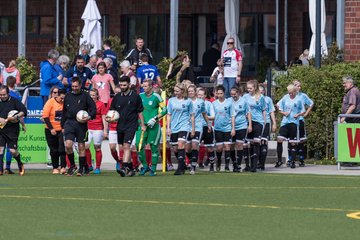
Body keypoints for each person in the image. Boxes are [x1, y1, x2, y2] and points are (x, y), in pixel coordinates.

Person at [109, 76, 146, 177]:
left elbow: (140, 112)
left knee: (126, 146)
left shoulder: (135, 97)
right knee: (121, 147)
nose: (122, 86)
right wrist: (110, 118)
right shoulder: (117, 97)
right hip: (120, 125)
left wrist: (142, 124)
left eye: (124, 85)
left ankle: (124, 167)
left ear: (129, 85)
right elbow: (112, 112)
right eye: (121, 85)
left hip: (131, 125)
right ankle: (130, 168)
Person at [61, 77, 97, 176]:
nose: (74, 88)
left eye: (76, 86)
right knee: (68, 145)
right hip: (69, 122)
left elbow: (93, 109)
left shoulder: (85, 96)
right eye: (72, 86)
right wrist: (62, 125)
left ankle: (81, 168)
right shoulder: (68, 96)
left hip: (81, 124)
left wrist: (89, 117)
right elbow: (64, 111)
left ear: (80, 85)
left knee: (81, 146)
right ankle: (72, 166)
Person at [136, 79, 167, 176]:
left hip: (153, 125)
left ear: (150, 86)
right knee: (138, 145)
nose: (144, 88)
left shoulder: (156, 97)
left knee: (154, 147)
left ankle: (153, 168)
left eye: (146, 86)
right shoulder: (139, 96)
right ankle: (145, 166)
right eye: (143, 86)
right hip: (142, 125)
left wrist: (155, 118)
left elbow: (165, 110)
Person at [167, 83, 195, 175]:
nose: (175, 93)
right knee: (175, 149)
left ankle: (180, 168)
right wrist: (168, 127)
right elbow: (169, 115)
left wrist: (193, 128)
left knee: (181, 144)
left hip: (184, 126)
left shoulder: (188, 101)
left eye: (177, 91)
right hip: (174, 126)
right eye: (174, 91)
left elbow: (192, 115)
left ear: (183, 91)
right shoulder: (171, 101)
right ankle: (185, 163)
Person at [275, 84, 305, 168]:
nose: (290, 94)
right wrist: (283, 112)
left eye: (292, 93)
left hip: (294, 123)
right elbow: (278, 106)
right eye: (289, 93)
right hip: (285, 122)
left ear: (295, 92)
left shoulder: (298, 100)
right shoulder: (285, 97)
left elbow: (303, 111)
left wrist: (298, 114)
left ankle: (292, 161)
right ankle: (279, 160)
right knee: (279, 139)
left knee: (293, 143)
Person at [0, 85, 27, 176]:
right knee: (0, 149)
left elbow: (23, 110)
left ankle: (20, 163)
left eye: (4, 94)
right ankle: (0, 169)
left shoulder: (14, 101)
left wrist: (16, 117)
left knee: (12, 151)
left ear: (8, 93)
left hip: (12, 129)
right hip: (1, 129)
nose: (2, 96)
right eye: (0, 95)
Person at [186, 84, 210, 174]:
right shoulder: (186, 101)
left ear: (195, 92)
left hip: (198, 126)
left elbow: (204, 113)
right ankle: (192, 159)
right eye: (189, 91)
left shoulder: (200, 102)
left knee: (195, 145)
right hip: (186, 126)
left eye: (192, 91)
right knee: (187, 149)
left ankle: (193, 167)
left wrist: (208, 124)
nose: (190, 93)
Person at [242, 80, 266, 172]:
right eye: (247, 88)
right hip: (248, 122)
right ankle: (247, 165)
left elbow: (264, 110)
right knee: (247, 144)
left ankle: (254, 166)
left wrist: (264, 122)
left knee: (256, 143)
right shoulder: (245, 97)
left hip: (258, 121)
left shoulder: (261, 97)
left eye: (250, 88)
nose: (249, 90)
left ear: (255, 88)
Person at [42, 88, 67, 174]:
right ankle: (55, 167)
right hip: (50, 129)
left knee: (62, 149)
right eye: (61, 98)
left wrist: (64, 127)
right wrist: (51, 128)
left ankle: (63, 167)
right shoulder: (50, 102)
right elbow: (45, 116)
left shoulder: (66, 103)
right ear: (57, 96)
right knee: (53, 150)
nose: (62, 100)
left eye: (64, 98)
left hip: (62, 129)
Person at [85, 89, 108, 174]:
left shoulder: (101, 104)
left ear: (97, 95)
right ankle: (89, 165)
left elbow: (103, 117)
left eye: (94, 95)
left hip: (98, 128)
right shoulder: (86, 104)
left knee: (97, 147)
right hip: (88, 127)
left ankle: (98, 167)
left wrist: (105, 130)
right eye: (90, 95)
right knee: (86, 146)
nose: (92, 97)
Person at [212, 85, 233, 172]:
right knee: (219, 148)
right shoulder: (214, 103)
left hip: (227, 127)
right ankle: (219, 161)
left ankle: (227, 165)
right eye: (218, 93)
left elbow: (232, 115)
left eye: (221, 93)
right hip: (218, 128)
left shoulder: (229, 103)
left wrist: (233, 128)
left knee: (227, 146)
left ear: (224, 93)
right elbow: (212, 115)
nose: (219, 95)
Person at [230, 86, 252, 172]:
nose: (233, 96)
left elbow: (248, 113)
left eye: (234, 94)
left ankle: (238, 164)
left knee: (239, 145)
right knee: (231, 146)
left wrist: (249, 125)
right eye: (231, 94)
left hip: (242, 125)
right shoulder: (229, 101)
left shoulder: (244, 101)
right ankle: (234, 162)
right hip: (231, 126)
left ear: (238, 93)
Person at [293, 80, 314, 166]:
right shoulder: (288, 96)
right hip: (291, 121)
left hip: (300, 119)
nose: (299, 87)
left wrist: (306, 113)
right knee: (292, 140)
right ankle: (291, 159)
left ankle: (301, 159)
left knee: (301, 140)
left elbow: (311, 103)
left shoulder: (303, 96)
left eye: (299, 86)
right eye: (297, 85)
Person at [197, 87, 216, 172]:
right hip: (197, 127)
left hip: (206, 127)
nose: (200, 96)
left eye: (201, 95)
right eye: (198, 94)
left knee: (209, 147)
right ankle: (193, 164)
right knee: (193, 146)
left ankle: (212, 165)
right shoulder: (194, 103)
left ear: (205, 95)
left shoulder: (209, 104)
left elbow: (213, 116)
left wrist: (205, 117)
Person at [258, 85, 276, 170]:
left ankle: (262, 163)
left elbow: (271, 111)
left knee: (264, 142)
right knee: (257, 142)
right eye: (259, 92)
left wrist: (274, 123)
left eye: (262, 92)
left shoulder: (268, 99)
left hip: (266, 123)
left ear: (264, 92)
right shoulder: (254, 99)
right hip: (257, 122)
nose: (260, 93)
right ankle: (257, 161)